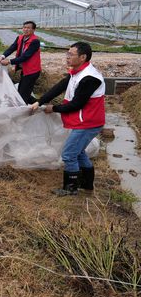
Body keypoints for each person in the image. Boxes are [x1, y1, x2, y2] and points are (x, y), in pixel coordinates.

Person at [31, 42, 105, 196]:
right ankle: (86, 184)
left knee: (69, 154)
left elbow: (77, 104)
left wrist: (54, 109)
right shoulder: (77, 72)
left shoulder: (90, 78)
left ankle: (70, 188)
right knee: (79, 152)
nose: (67, 57)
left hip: (88, 122)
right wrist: (40, 102)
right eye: (67, 54)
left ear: (83, 57)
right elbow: (59, 87)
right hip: (85, 121)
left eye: (71, 54)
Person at [0, 20, 42, 104]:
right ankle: (39, 104)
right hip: (25, 70)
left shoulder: (35, 41)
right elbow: (12, 48)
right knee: (24, 92)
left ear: (33, 30)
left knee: (23, 95)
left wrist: (9, 61)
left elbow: (26, 56)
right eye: (24, 27)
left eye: (28, 28)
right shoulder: (20, 38)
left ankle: (28, 108)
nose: (26, 29)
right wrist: (2, 56)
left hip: (32, 71)